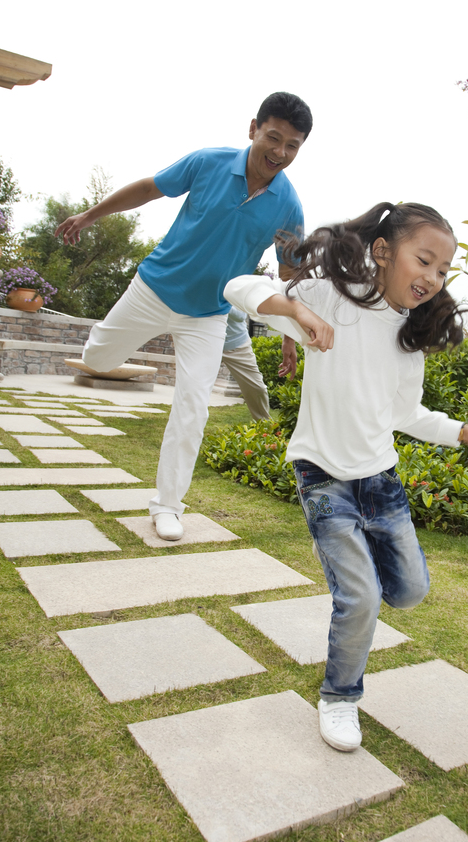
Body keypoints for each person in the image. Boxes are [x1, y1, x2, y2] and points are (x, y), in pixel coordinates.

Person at [224, 201, 468, 753]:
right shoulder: (328, 299)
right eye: (425, 260)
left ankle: (354, 594)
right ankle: (340, 696)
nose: (433, 278)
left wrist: (464, 431)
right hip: (322, 476)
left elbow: (404, 414)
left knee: (410, 592)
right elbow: (238, 287)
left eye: (442, 271)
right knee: (360, 598)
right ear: (383, 251)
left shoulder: (409, 337)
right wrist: (296, 312)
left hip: (380, 481)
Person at [55, 92, 311, 542]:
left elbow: (289, 276)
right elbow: (150, 188)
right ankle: (105, 341)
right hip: (153, 290)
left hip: (209, 315)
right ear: (253, 128)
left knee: (193, 406)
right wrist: (91, 215)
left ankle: (168, 505)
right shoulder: (208, 162)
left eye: (293, 146)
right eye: (274, 138)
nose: (280, 153)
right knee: (97, 357)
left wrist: (290, 335)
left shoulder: (288, 206)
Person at [221, 307, 271, 420]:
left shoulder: (232, 288)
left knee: (258, 388)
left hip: (236, 344)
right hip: (207, 342)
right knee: (194, 388)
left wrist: (217, 301)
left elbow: (240, 315)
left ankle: (264, 427)